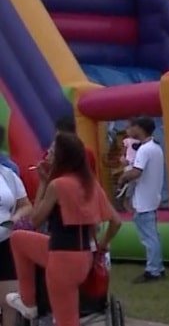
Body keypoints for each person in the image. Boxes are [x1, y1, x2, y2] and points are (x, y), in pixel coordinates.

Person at [6, 133, 121, 326]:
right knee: (18, 239)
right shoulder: (90, 184)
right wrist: (103, 243)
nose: (46, 155)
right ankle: (28, 301)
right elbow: (116, 221)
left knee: (66, 321)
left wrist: (43, 182)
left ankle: (30, 302)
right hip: (80, 254)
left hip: (63, 260)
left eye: (51, 152)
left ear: (62, 157)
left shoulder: (57, 185)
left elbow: (35, 219)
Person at [118, 116, 165, 283]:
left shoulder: (145, 150)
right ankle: (157, 266)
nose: (129, 130)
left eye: (131, 126)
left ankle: (153, 270)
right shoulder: (155, 148)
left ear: (139, 128)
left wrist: (123, 178)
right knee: (152, 235)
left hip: (144, 200)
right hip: (151, 197)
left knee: (148, 237)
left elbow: (137, 172)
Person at [0, 132, 31, 326]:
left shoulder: (8, 174)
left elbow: (26, 204)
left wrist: (17, 217)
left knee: (9, 300)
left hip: (5, 242)